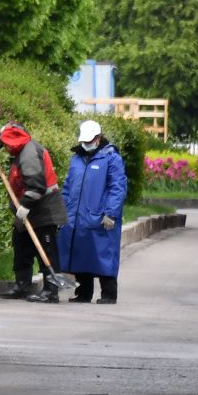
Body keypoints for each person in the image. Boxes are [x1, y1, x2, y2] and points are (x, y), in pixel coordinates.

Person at [59, 120, 129, 304]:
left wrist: (111, 213)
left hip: (100, 217)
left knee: (104, 255)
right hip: (77, 216)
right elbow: (68, 186)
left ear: (98, 138)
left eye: (90, 141)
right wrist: (62, 211)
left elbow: (117, 187)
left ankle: (108, 294)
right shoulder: (77, 158)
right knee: (81, 253)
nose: (87, 144)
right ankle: (83, 293)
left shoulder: (112, 158)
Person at [0, 121, 68, 303]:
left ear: (13, 141)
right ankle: (22, 285)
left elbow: (37, 185)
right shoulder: (21, 152)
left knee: (47, 251)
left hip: (43, 211)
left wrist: (24, 207)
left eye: (5, 145)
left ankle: (51, 291)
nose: (5, 149)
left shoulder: (29, 153)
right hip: (29, 211)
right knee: (21, 246)